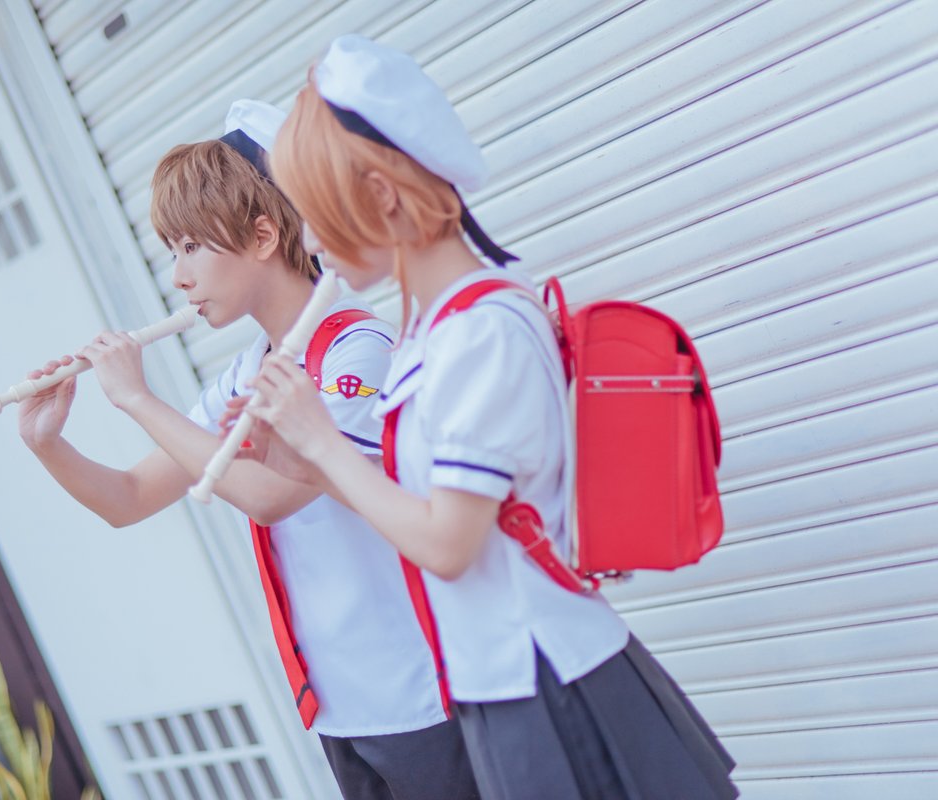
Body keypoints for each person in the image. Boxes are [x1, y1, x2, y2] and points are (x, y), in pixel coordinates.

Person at [234, 37, 739, 799]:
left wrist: (323, 444)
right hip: (507, 686)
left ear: (382, 194)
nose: (309, 241)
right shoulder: (436, 328)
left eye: (313, 214)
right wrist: (303, 456)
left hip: (551, 686)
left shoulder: (482, 331)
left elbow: (448, 543)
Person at [17, 100, 479, 799]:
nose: (179, 277)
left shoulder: (358, 349)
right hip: (341, 707)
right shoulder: (247, 370)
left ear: (263, 236)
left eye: (191, 247)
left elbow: (271, 497)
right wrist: (47, 443)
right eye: (173, 252)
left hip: (423, 696)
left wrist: (138, 398)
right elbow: (129, 498)